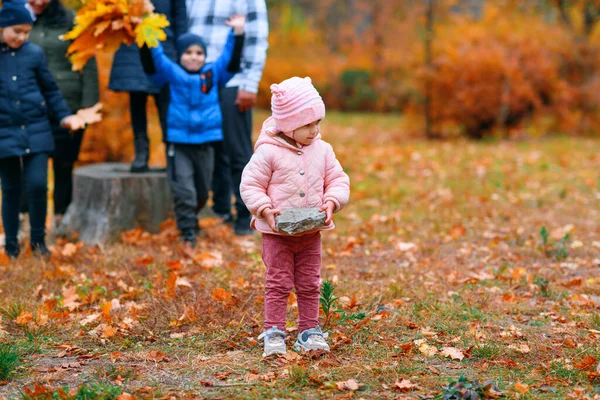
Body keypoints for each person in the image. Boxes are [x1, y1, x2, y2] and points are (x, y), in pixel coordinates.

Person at [240, 77, 350, 356]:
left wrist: (332, 201)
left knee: (310, 282)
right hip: (278, 234)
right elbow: (250, 185)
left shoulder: (323, 150)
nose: (315, 130)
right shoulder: (268, 152)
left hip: (311, 232)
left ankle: (308, 330)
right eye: (307, 125)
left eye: (317, 123)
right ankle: (274, 330)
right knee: (278, 282)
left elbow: (338, 179)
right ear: (288, 125)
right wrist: (264, 208)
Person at [139, 15, 245, 252]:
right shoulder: (172, 73)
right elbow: (153, 59)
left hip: (206, 143)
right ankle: (187, 233)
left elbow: (230, 61)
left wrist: (237, 34)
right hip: (179, 143)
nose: (194, 57)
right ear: (179, 55)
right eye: (188, 52)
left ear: (205, 56)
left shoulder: (212, 73)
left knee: (200, 192)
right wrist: (145, 33)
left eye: (199, 52)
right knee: (184, 190)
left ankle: (192, 220)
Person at [0, 0, 86, 258]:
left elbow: (50, 90)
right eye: (16, 31)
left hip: (37, 129)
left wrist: (64, 117)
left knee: (38, 185)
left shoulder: (34, 54)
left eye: (26, 32)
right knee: (11, 189)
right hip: (5, 133)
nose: (21, 37)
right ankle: (12, 244)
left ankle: (38, 241)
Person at [187, 0, 269, 235]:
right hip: (201, 81)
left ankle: (246, 216)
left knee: (237, 151)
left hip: (234, 81)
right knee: (211, 149)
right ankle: (220, 210)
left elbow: (257, 38)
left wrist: (250, 83)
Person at [28, 0, 99, 221]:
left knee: (64, 164)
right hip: (31, 106)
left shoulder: (71, 20)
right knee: (27, 166)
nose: (38, 1)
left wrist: (88, 106)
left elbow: (88, 62)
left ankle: (61, 219)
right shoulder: (16, 20)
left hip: (69, 105)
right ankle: (25, 220)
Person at [109, 0, 187, 172]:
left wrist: (182, 51)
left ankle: (172, 152)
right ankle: (141, 152)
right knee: (137, 101)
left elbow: (180, 19)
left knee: (166, 105)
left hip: (163, 45)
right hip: (133, 46)